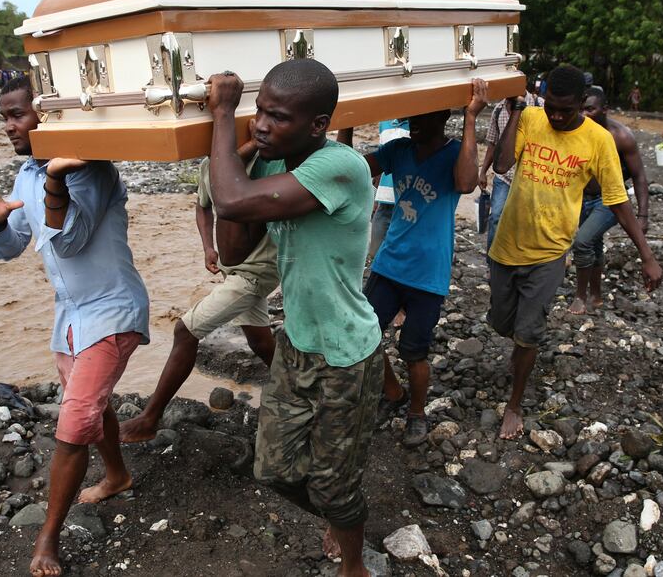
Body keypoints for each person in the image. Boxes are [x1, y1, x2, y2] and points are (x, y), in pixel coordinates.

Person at [0, 76, 150, 577]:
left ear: (47, 114)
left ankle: (47, 539)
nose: (8, 126)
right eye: (3, 116)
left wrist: (54, 184)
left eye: (17, 115)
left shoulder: (89, 170)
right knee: (92, 408)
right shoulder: (28, 172)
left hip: (112, 312)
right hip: (70, 317)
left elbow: (68, 242)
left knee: (72, 426)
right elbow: (10, 248)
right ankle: (116, 475)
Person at [206, 59, 382, 577]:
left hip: (347, 355)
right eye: (257, 111)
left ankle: (354, 564)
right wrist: (246, 157)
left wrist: (222, 116)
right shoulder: (270, 162)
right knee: (274, 471)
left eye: (277, 117)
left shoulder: (340, 166)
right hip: (296, 345)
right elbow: (233, 247)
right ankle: (337, 516)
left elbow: (233, 199)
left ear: (317, 124)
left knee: (334, 485)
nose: (260, 124)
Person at [489, 65, 662, 440]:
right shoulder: (531, 118)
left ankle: (514, 404)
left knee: (528, 334)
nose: (556, 115)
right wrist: (517, 110)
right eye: (551, 106)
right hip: (506, 246)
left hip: (550, 253)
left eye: (565, 110)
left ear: (582, 103)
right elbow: (502, 165)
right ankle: (518, 345)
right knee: (501, 322)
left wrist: (646, 254)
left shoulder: (598, 140)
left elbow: (617, 200)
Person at [337, 81, 482, 446]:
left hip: (427, 275)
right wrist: (348, 120)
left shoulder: (454, 154)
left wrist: (471, 118)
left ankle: (416, 414)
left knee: (413, 351)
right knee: (364, 337)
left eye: (422, 115)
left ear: (442, 116)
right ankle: (393, 393)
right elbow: (348, 170)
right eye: (411, 115)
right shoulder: (399, 149)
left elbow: (467, 183)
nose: (413, 122)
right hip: (389, 265)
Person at [117, 152, 278, 442]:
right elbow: (202, 206)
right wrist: (207, 246)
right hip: (235, 270)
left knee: (185, 330)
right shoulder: (210, 165)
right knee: (261, 342)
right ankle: (303, 394)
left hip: (255, 272)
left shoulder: (267, 162)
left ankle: (149, 419)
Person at [568, 88, 651, 315]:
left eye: (590, 109)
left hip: (609, 199)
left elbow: (640, 176)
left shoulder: (621, 136)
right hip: (581, 198)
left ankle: (580, 296)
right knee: (593, 243)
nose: (584, 115)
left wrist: (643, 215)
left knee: (583, 241)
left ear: (604, 110)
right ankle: (596, 294)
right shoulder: (578, 131)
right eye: (582, 109)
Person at [477, 96, 519, 254]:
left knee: (520, 220)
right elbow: (492, 144)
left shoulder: (537, 105)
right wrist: (483, 172)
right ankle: (492, 261)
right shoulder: (499, 109)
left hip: (525, 177)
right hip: (503, 176)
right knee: (495, 217)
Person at [368, 119, 411, 258]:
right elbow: (381, 159)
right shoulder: (384, 124)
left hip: (405, 199)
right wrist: (375, 196)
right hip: (384, 198)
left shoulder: (416, 125)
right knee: (375, 249)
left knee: (399, 250)